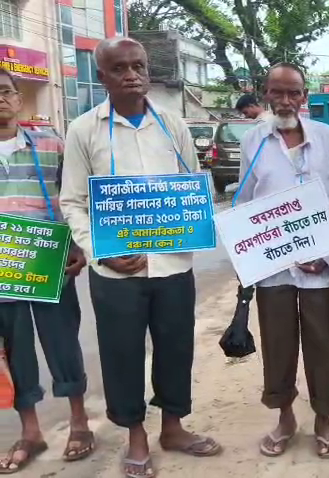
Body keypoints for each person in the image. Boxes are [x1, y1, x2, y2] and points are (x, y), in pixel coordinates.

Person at [60, 37, 222, 478]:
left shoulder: (173, 124)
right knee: (122, 354)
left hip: (173, 265)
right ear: (102, 77)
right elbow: (72, 202)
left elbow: (193, 186)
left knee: (176, 349)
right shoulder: (84, 129)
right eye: (120, 68)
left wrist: (195, 222)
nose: (132, 74)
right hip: (115, 273)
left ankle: (173, 427)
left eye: (139, 65)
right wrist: (101, 251)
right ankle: (136, 435)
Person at [236, 63, 329, 460]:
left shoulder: (327, 137)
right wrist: (248, 256)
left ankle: (323, 420)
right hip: (273, 268)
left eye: (294, 92)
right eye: (277, 92)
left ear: (305, 96)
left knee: (324, 343)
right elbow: (245, 203)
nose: (285, 100)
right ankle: (284, 418)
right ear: (265, 93)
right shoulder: (253, 140)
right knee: (278, 344)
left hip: (320, 268)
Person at [0, 68, 92, 474]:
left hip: (49, 262)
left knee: (63, 344)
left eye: (6, 92)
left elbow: (75, 198)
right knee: (15, 351)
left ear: (19, 99)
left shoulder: (50, 144)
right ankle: (31, 432)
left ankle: (79, 423)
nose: (0, 99)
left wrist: (79, 245)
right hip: (4, 273)